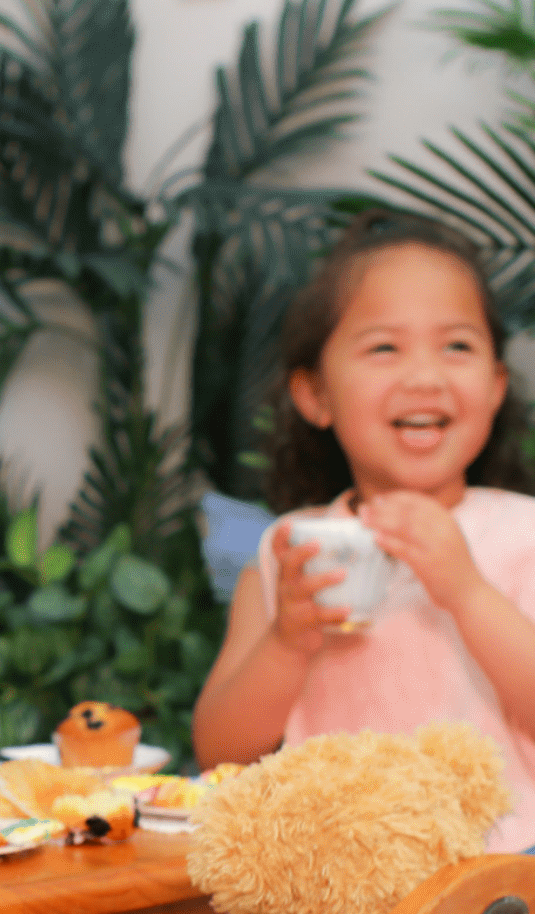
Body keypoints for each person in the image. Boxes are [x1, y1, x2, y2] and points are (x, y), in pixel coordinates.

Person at [193, 210, 535, 852]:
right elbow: (220, 751)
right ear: (315, 394)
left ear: (496, 386)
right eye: (384, 348)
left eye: (457, 346)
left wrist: (467, 592)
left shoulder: (525, 536)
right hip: (331, 871)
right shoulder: (289, 553)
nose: (426, 376)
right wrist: (288, 641)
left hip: (500, 875)